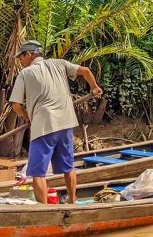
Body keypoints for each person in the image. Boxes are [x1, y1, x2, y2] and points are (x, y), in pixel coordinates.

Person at [9, 40, 103, 204]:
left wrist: (26, 116)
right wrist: (94, 87)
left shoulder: (26, 73)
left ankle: (44, 210)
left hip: (43, 126)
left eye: (21, 57)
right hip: (65, 124)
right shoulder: (59, 64)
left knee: (37, 172)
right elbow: (86, 71)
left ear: (29, 54)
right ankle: (73, 202)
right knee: (68, 166)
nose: (20, 61)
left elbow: (16, 105)